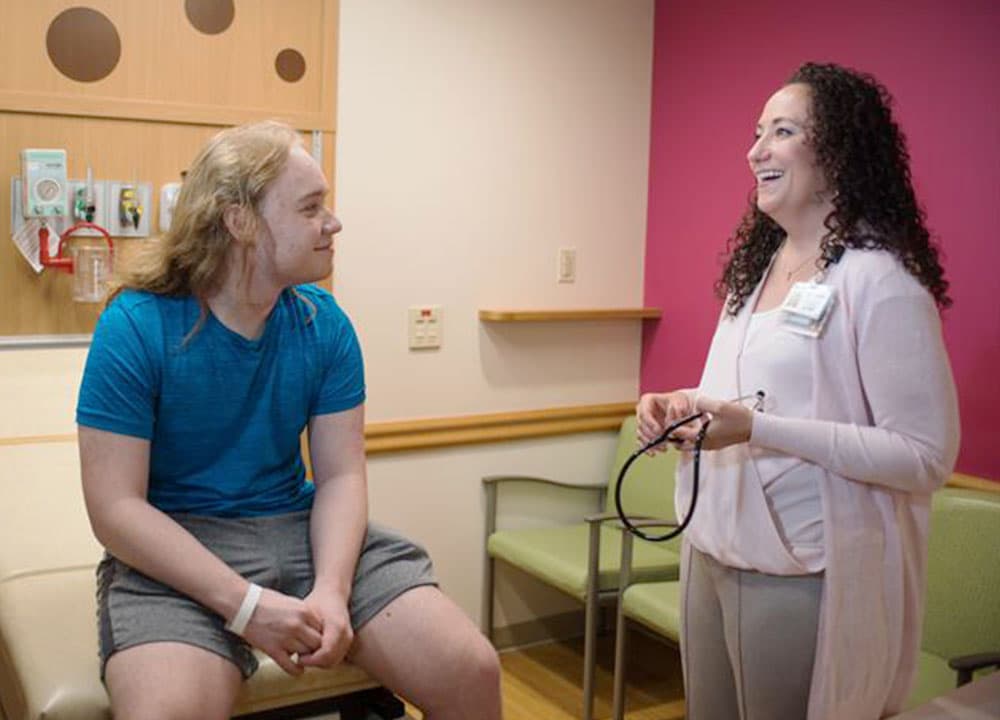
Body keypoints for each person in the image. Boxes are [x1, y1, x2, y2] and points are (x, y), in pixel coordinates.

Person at [77, 121, 502, 720]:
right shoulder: (135, 327)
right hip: (181, 545)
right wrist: (246, 606)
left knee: (471, 671)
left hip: (300, 531)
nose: (333, 222)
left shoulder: (322, 324)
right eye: (311, 207)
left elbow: (341, 476)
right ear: (240, 222)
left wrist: (332, 588)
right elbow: (115, 509)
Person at [636, 63, 959, 720]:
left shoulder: (879, 280)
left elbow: (925, 456)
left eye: (781, 132)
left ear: (838, 151)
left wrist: (758, 431)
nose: (756, 151)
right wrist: (681, 403)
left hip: (798, 570)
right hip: (709, 546)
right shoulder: (755, 273)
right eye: (757, 133)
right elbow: (746, 392)